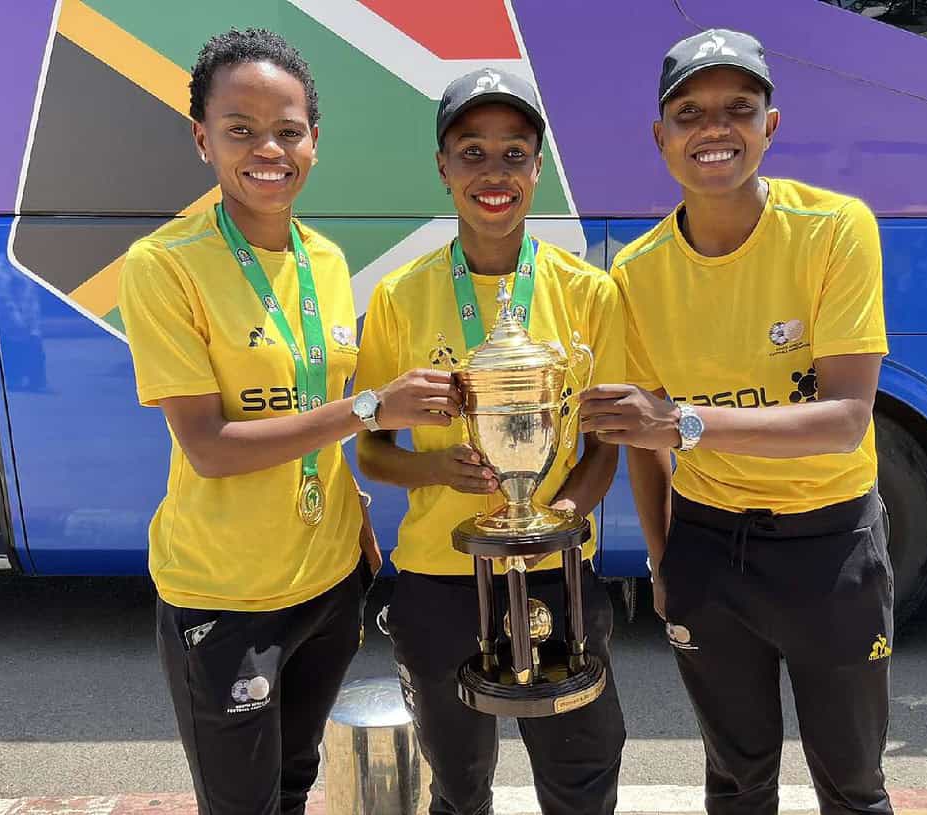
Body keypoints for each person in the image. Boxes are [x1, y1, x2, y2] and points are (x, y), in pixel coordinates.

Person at [117, 28, 459, 815]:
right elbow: (208, 448)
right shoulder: (163, 266)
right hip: (226, 596)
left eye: (287, 130)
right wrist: (369, 408)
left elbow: (310, 407)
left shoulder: (325, 261)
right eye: (240, 129)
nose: (268, 149)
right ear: (202, 139)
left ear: (314, 140)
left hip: (330, 581)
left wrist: (354, 513)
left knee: (297, 781)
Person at [578, 29, 893, 815]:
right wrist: (662, 561)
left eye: (737, 109)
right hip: (707, 548)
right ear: (660, 137)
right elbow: (644, 446)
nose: (712, 129)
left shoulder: (834, 227)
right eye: (689, 113)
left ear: (769, 126)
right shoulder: (637, 272)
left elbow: (844, 419)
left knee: (852, 784)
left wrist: (680, 422)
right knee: (735, 779)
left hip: (830, 545)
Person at [353, 68, 627, 815]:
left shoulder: (589, 293)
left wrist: (556, 518)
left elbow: (605, 445)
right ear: (443, 167)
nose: (494, 172)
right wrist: (435, 467)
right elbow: (371, 451)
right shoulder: (400, 296)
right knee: (458, 786)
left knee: (581, 782)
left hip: (558, 575)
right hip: (440, 579)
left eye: (514, 153)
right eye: (471, 152)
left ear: (538, 170)